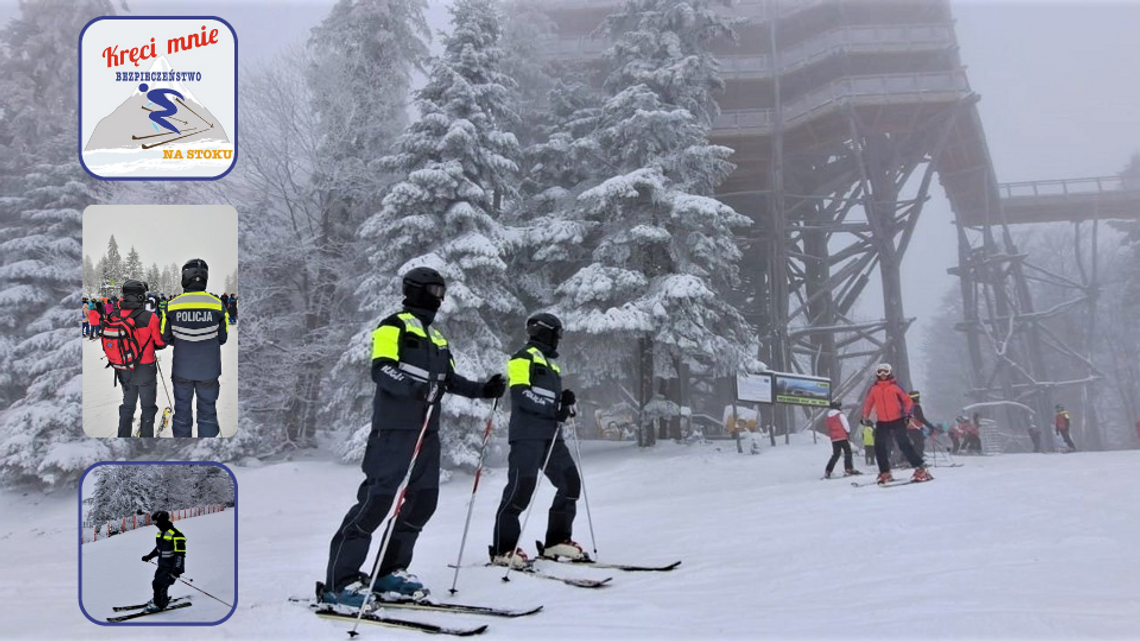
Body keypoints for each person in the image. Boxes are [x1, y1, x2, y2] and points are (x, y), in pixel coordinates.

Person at [321, 266, 505, 608]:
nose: (440, 298)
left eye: (442, 291)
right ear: (415, 290)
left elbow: (448, 381)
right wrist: (415, 390)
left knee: (423, 501)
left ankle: (389, 572)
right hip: (394, 429)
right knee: (377, 500)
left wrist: (484, 390)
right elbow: (382, 369)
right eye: (434, 291)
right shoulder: (393, 326)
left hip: (427, 432)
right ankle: (339, 582)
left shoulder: (437, 338)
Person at [489, 313, 583, 568]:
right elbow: (521, 394)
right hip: (527, 435)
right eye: (557, 334)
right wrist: (554, 409)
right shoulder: (522, 357)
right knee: (521, 488)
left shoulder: (551, 364)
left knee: (570, 483)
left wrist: (564, 399)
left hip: (552, 436)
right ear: (544, 332)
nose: (559, 340)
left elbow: (545, 396)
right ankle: (503, 549)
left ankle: (557, 541)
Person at [161, 259, 229, 438]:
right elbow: (223, 338)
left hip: (182, 370)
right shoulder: (217, 304)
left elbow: (165, 337)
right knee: (208, 413)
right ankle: (207, 450)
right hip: (209, 371)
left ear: (185, 278)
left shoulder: (172, 305)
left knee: (182, 412)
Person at [101, 280, 166, 438]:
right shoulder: (150, 317)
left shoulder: (114, 315)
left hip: (123, 368)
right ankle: (146, 440)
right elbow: (160, 342)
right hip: (145, 368)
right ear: (141, 296)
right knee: (148, 407)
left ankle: (123, 437)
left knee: (128, 406)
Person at [861, 363, 931, 484]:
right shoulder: (874, 389)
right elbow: (868, 403)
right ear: (877, 373)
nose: (883, 374)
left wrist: (908, 414)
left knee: (903, 444)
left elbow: (908, 401)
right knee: (879, 446)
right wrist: (864, 416)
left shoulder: (896, 386)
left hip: (897, 419)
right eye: (880, 372)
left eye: (886, 372)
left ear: (890, 373)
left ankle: (920, 468)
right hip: (882, 421)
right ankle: (885, 472)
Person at [140, 510, 186, 612]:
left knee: (158, 584)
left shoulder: (176, 535)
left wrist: (177, 570)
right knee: (159, 584)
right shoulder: (161, 533)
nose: (155, 524)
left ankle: (159, 604)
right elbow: (159, 548)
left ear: (161, 521)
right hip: (162, 565)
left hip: (171, 567)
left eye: (156, 522)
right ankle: (161, 599)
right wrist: (149, 556)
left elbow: (180, 555)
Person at [822, 400, 861, 478]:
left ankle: (828, 471)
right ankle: (848, 469)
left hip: (834, 438)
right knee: (848, 452)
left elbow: (828, 427)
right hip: (842, 436)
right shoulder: (840, 415)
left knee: (835, 455)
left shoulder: (828, 417)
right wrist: (848, 432)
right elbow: (845, 425)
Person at [907, 390, 936, 461]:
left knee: (917, 443)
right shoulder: (916, 406)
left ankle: (911, 458)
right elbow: (921, 418)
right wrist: (930, 426)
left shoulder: (909, 406)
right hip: (915, 428)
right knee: (919, 444)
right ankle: (916, 459)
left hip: (910, 427)